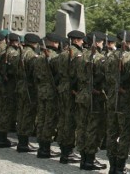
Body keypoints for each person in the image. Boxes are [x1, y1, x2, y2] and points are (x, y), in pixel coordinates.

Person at [73, 31, 107, 170]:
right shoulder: (99, 58)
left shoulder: (79, 57)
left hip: (81, 94)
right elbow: (104, 77)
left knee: (82, 126)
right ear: (97, 42)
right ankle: (90, 159)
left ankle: (83, 158)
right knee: (93, 128)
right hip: (94, 96)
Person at [105, 31, 130, 174]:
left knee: (112, 132)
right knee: (125, 134)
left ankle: (112, 165)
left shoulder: (109, 56)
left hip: (111, 98)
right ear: (128, 43)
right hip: (124, 100)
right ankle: (119, 166)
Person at [53, 29, 85, 164]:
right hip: (71, 89)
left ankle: (63, 149)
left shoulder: (62, 53)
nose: (83, 42)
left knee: (63, 118)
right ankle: (68, 151)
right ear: (77, 40)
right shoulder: (77, 54)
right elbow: (78, 74)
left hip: (62, 87)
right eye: (81, 40)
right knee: (71, 120)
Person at [34, 32, 61, 159]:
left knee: (42, 118)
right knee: (49, 120)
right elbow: (60, 73)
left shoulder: (39, 56)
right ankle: (45, 148)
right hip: (51, 91)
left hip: (41, 90)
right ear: (53, 42)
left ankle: (41, 146)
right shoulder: (54, 56)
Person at [0, 31, 20, 148]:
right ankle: (2, 139)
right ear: (16, 42)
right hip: (9, 87)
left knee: (0, 111)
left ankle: (0, 137)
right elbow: (16, 70)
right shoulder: (13, 54)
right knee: (6, 112)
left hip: (2, 86)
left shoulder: (2, 53)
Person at [16, 33, 41, 153]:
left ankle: (21, 141)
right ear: (35, 44)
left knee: (21, 113)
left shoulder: (19, 52)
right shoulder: (31, 54)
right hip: (28, 88)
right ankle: (24, 143)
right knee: (27, 115)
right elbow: (35, 73)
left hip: (20, 86)